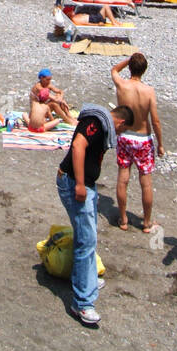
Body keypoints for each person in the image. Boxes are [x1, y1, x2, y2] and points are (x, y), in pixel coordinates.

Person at [57, 104, 132, 326]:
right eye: (122, 131)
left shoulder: (100, 123)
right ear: (120, 123)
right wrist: (80, 184)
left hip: (85, 184)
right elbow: (79, 146)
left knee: (88, 236)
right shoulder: (97, 124)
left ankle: (86, 278)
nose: (119, 135)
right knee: (86, 240)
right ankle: (82, 303)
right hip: (74, 184)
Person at [110, 53, 163, 233]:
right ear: (144, 70)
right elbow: (155, 120)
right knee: (146, 182)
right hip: (142, 138)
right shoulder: (149, 91)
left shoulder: (122, 85)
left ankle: (123, 219)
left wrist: (128, 59)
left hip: (125, 136)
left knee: (123, 179)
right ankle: (146, 223)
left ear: (131, 68)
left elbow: (114, 70)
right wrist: (161, 144)